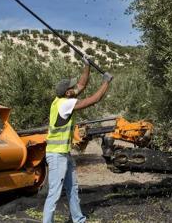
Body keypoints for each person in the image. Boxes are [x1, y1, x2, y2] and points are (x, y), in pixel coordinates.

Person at [43, 56, 113, 223]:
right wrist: (106, 82)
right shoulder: (65, 104)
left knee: (72, 188)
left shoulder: (60, 99)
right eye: (71, 87)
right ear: (67, 92)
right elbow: (94, 99)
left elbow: (82, 85)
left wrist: (86, 65)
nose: (75, 87)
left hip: (64, 155)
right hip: (56, 156)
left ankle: (78, 219)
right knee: (54, 193)